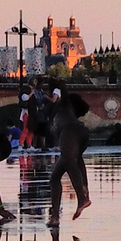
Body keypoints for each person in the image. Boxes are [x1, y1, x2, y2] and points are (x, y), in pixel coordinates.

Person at [48, 81, 92, 219]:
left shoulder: (64, 105)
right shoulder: (68, 112)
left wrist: (60, 85)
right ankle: (55, 217)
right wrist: (85, 184)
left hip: (70, 132)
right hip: (80, 133)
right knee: (55, 177)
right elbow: (79, 162)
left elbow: (65, 96)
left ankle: (81, 198)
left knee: (69, 161)